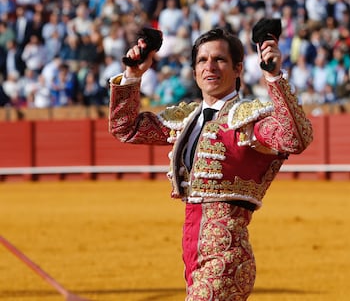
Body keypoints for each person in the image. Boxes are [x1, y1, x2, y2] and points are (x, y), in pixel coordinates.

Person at [108, 27, 313, 300]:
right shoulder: (186, 119)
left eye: (219, 59)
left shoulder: (249, 119)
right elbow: (126, 129)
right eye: (202, 60)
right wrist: (134, 75)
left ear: (238, 68)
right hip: (192, 252)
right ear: (194, 71)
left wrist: (274, 77)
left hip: (227, 254)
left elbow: (295, 138)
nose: (210, 66)